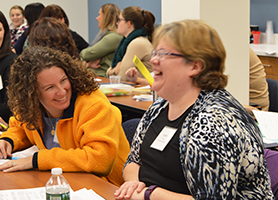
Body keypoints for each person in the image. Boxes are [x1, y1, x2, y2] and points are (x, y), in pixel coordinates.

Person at [114, 20, 274, 199]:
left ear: (195, 66)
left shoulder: (215, 121)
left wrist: (150, 194)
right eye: (154, 52)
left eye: (163, 54)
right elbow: (133, 160)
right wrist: (133, 183)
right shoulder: (161, 105)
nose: (153, 60)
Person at [0, 46, 130, 187]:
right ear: (32, 93)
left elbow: (100, 160)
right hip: (63, 180)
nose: (62, 92)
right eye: (50, 88)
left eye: (63, 80)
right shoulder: (31, 106)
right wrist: (8, 140)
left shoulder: (92, 105)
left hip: (106, 186)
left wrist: (37, 160)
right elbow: (21, 126)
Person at [106, 6, 155, 81]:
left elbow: (122, 77)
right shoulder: (126, 41)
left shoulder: (138, 43)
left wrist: (111, 72)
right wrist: (113, 71)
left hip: (143, 90)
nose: (117, 23)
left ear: (129, 23)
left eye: (119, 20)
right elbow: (112, 70)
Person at [80, 3, 122, 77]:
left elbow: (87, 54)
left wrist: (84, 59)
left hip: (101, 76)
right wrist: (87, 64)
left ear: (106, 17)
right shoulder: (106, 35)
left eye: (99, 15)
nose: (97, 18)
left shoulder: (113, 37)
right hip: (95, 75)